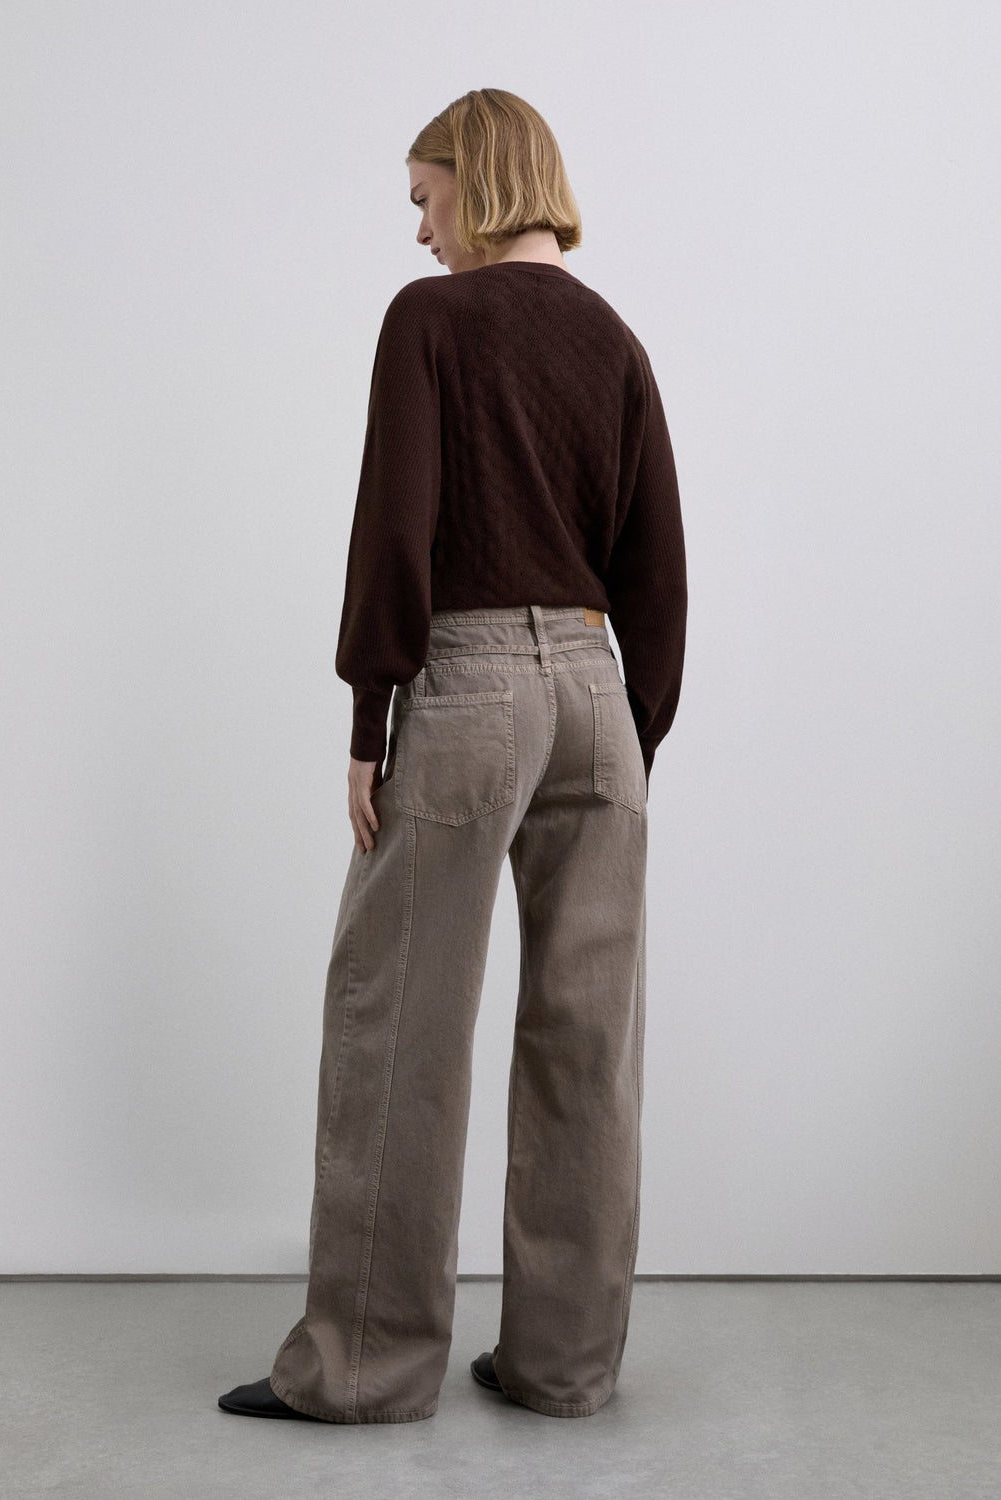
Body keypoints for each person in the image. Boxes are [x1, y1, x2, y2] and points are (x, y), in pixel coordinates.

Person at [219, 86, 687, 1425]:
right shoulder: (613, 339)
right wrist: (632, 733)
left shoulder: (429, 321)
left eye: (425, 199)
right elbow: (656, 560)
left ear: (476, 183)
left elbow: (396, 525)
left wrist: (370, 716)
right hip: (597, 693)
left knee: (398, 1022)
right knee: (587, 1045)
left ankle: (365, 1370)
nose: (419, 232)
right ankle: (562, 1366)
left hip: (471, 686)